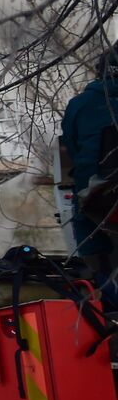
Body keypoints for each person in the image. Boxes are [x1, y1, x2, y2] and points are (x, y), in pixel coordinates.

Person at [61, 47, 118, 302]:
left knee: (86, 228)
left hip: (94, 196)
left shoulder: (78, 105)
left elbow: (74, 149)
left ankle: (108, 301)